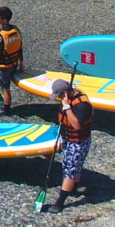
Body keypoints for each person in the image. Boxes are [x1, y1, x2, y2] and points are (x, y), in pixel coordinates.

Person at [42, 79, 94, 214]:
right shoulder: (69, 99)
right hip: (67, 138)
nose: (58, 99)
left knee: (70, 171)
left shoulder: (83, 105)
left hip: (78, 141)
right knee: (71, 166)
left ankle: (60, 203)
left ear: (65, 93)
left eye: (59, 96)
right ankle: (74, 188)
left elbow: (77, 125)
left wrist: (66, 107)